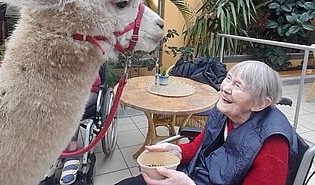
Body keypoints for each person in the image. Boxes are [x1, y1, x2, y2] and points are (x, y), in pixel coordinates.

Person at [117, 60, 299, 185]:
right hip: (194, 174)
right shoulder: (226, 112)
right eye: (228, 78)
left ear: (260, 103)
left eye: (238, 85)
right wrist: (176, 151)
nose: (224, 88)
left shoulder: (273, 143)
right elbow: (200, 145)